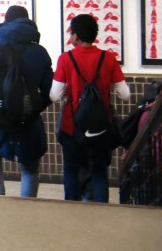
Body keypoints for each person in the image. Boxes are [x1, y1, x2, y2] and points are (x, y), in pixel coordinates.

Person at [0, 5, 53, 197]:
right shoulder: (40, 52)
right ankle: (27, 207)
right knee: (30, 166)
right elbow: (50, 90)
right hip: (29, 120)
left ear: (6, 22)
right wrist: (34, 107)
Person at [51, 13, 130, 203]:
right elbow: (125, 94)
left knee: (71, 168)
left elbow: (54, 95)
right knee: (98, 171)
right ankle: (100, 212)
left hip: (72, 126)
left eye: (71, 33)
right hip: (101, 126)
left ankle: (73, 210)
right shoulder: (109, 58)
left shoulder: (65, 59)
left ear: (76, 36)